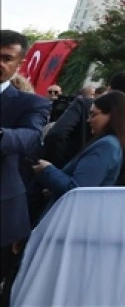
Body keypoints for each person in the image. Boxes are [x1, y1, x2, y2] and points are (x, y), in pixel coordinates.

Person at [1, 30, 51, 305]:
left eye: (6, 58)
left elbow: (30, 136)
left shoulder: (32, 103)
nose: (0, 63)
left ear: (18, 64)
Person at [32, 91, 125, 209]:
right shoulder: (118, 144)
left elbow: (78, 190)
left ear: (112, 115)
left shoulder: (107, 146)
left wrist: (48, 170)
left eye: (93, 114)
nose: (88, 120)